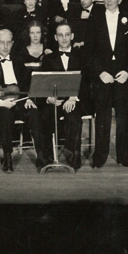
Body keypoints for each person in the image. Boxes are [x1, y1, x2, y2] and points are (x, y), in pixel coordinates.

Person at [85, 0, 128, 168]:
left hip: (123, 74)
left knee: (123, 117)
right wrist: (100, 72)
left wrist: (127, 72)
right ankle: (100, 156)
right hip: (103, 74)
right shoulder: (95, 18)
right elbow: (89, 51)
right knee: (102, 117)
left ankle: (123, 156)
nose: (109, 0)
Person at [0, 28, 46, 172]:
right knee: (5, 114)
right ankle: (7, 156)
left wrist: (30, 98)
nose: (5, 46)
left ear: (12, 43)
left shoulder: (18, 61)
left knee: (35, 113)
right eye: (2, 43)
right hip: (1, 103)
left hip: (20, 101)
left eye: (8, 43)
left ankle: (41, 155)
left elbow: (28, 83)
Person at [40, 22, 88, 170]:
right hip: (56, 101)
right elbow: (44, 82)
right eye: (60, 35)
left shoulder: (82, 56)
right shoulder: (48, 59)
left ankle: (73, 154)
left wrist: (73, 97)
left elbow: (87, 82)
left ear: (72, 36)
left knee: (73, 115)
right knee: (45, 115)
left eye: (67, 34)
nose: (64, 38)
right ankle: (47, 156)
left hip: (76, 99)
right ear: (55, 37)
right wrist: (49, 98)